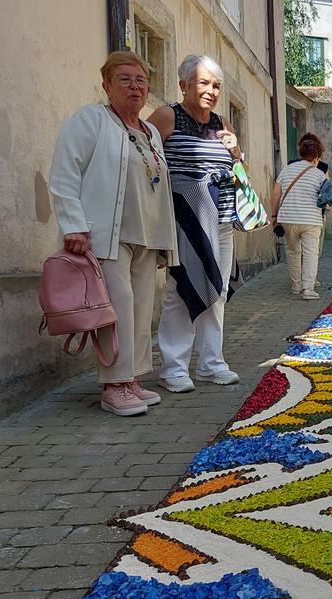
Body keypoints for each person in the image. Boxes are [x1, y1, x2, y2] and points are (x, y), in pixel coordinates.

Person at [49, 51, 179, 416]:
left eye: (140, 80)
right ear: (106, 85)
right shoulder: (91, 120)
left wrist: (166, 241)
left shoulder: (151, 130)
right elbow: (64, 171)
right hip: (106, 234)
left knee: (139, 309)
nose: (134, 86)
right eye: (124, 79)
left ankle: (133, 377)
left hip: (146, 235)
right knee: (117, 307)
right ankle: (113, 384)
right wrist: (72, 223)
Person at [148, 54, 243, 393]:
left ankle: (211, 362)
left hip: (220, 219)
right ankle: (174, 367)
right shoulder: (166, 116)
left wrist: (236, 151)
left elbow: (235, 166)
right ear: (184, 84)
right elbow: (144, 160)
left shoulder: (221, 122)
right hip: (185, 219)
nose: (211, 90)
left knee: (216, 290)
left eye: (216, 85)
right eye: (203, 83)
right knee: (181, 288)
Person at [272, 133, 329, 300]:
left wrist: (273, 216)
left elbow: (276, 194)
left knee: (292, 251)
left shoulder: (286, 170)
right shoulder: (319, 174)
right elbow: (326, 198)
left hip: (288, 218)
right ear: (316, 157)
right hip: (311, 220)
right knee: (311, 253)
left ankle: (295, 285)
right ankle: (308, 289)